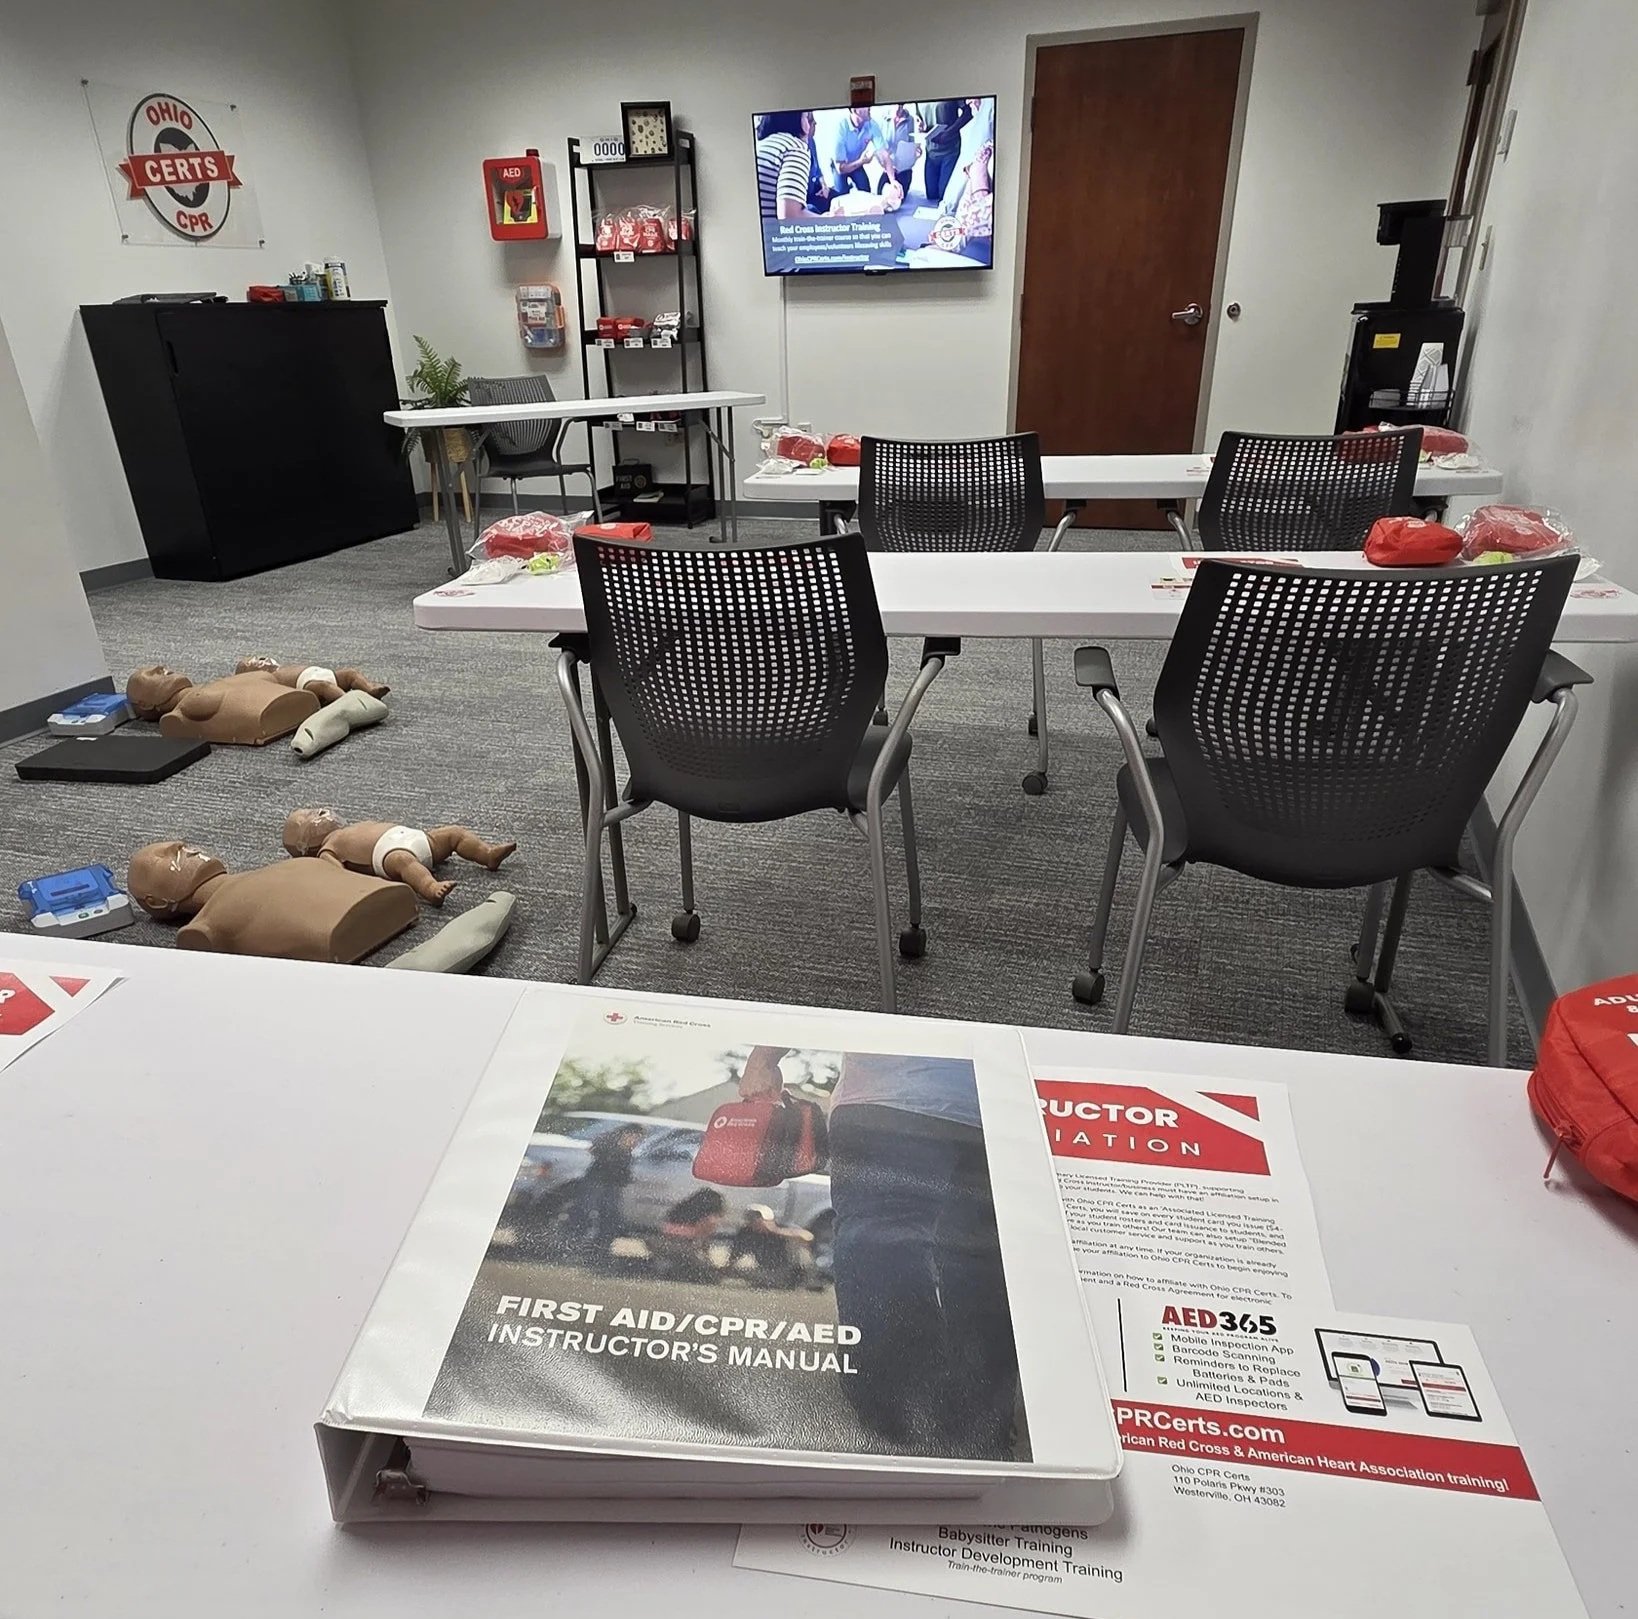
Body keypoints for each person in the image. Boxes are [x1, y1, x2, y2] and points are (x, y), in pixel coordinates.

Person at [737, 1046, 1020, 1459]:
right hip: (996, 1110)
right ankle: (978, 1432)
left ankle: (900, 1422)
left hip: (891, 1103)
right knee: (981, 1265)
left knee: (883, 1242)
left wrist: (764, 1057)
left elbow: (833, 984)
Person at [567, 1123, 644, 1267]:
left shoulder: (625, 1151)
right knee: (586, 1213)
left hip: (610, 1186)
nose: (635, 1142)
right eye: (635, 1137)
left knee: (609, 1218)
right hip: (598, 1183)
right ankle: (578, 1247)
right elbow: (597, 1151)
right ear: (626, 1134)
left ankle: (598, 1251)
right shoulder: (610, 1145)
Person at [725, 1203, 814, 1290]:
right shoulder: (747, 1234)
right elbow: (735, 1255)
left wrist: (775, 1230)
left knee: (802, 1251)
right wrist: (727, 1269)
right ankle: (770, 1282)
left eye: (756, 1218)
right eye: (751, 1219)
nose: (753, 1222)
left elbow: (808, 1236)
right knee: (741, 1271)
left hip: (790, 1271)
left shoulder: (782, 1228)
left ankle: (809, 1280)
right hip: (767, 1271)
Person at [650, 1187, 726, 1282]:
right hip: (685, 1249)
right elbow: (703, 1243)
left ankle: (666, 1266)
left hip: (659, 1244)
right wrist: (709, 1262)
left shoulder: (681, 1208)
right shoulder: (710, 1220)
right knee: (710, 1276)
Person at [755, 110, 818, 220]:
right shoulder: (795, 147)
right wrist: (830, 221)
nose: (809, 127)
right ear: (796, 121)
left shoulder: (762, 145)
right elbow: (789, 216)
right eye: (806, 118)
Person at [916, 98, 972, 212]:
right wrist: (920, 124)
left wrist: (949, 132)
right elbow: (919, 117)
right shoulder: (918, 91)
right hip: (930, 151)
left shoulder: (951, 87)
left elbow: (968, 113)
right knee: (931, 196)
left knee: (944, 196)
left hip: (950, 150)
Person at [833, 105, 885, 194]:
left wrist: (893, 180)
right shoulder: (841, 128)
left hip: (857, 162)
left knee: (866, 191)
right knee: (841, 194)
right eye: (865, 105)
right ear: (854, 110)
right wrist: (861, 161)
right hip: (841, 166)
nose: (870, 107)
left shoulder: (872, 125)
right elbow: (840, 168)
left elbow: (883, 153)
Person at [880, 104, 920, 198]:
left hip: (903, 169)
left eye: (901, 106)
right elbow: (878, 147)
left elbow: (910, 144)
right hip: (888, 167)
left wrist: (915, 155)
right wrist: (886, 165)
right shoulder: (884, 118)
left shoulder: (910, 120)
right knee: (882, 195)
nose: (898, 108)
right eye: (896, 105)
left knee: (897, 197)